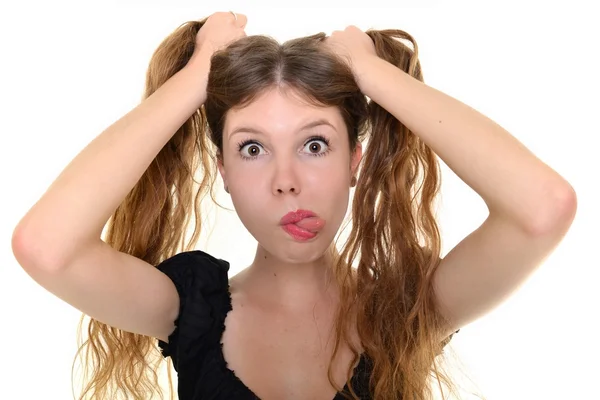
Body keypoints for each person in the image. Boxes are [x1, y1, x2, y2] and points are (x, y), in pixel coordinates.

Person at [11, 10, 577, 400]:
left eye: (314, 144)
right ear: (223, 171)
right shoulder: (190, 309)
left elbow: (542, 208)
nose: (287, 182)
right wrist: (195, 78)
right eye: (252, 148)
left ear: (355, 159)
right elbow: (46, 247)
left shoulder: (407, 308)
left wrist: (371, 73)